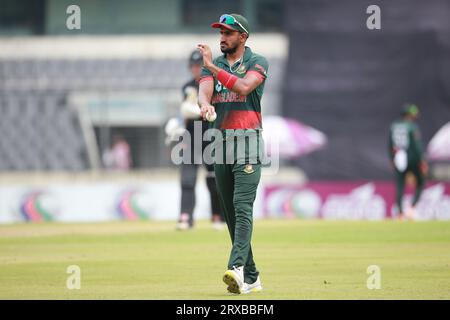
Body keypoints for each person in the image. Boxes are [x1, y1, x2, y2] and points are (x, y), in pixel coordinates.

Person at [197, 13, 269, 294]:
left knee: (242, 207)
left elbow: (243, 86)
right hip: (220, 143)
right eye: (220, 33)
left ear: (243, 36)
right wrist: (204, 105)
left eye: (228, 33)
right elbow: (204, 93)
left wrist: (212, 68)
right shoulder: (212, 67)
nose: (222, 37)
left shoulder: (257, 61)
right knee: (230, 213)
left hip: (248, 142)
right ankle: (252, 276)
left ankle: (236, 268)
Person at [176, 49, 225, 231]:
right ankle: (185, 217)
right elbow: (186, 111)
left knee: (215, 179)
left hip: (212, 136)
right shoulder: (188, 87)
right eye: (194, 66)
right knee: (187, 179)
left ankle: (218, 216)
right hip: (191, 136)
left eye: (200, 66)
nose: (196, 69)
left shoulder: (215, 85)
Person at [388, 103, 428, 220]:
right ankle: (411, 208)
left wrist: (391, 159)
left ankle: (400, 213)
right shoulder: (412, 126)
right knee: (420, 182)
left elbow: (390, 144)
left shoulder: (394, 126)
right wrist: (422, 161)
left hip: (399, 158)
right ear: (408, 115)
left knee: (400, 185)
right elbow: (416, 146)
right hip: (412, 157)